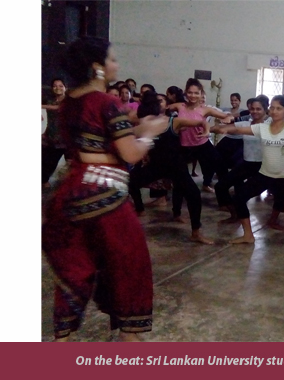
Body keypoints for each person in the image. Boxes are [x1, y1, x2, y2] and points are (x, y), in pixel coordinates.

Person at [42, 37, 169, 342]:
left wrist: (138, 128)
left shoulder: (70, 101)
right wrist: (149, 134)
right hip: (104, 196)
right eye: (113, 59)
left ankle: (63, 340)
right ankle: (129, 336)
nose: (117, 65)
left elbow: (101, 136)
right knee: (130, 264)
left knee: (78, 265)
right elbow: (130, 154)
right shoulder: (107, 102)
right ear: (97, 67)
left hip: (71, 194)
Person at [213, 95, 284, 252]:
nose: (274, 111)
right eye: (272, 107)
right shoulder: (262, 128)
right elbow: (239, 129)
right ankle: (248, 235)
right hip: (265, 174)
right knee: (239, 198)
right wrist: (224, 128)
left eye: (278, 108)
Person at [129, 91, 214, 244]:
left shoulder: (174, 122)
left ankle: (196, 232)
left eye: (162, 101)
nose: (159, 103)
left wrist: (207, 131)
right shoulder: (143, 125)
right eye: (157, 101)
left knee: (193, 194)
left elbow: (201, 122)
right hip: (156, 166)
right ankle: (139, 209)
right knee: (130, 182)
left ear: (166, 105)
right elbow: (127, 135)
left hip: (176, 166)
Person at [168, 78, 233, 192]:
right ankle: (177, 204)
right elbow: (161, 109)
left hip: (202, 144)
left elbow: (227, 116)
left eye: (196, 93)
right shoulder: (179, 106)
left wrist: (228, 119)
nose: (193, 95)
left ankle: (224, 197)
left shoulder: (205, 109)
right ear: (185, 93)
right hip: (184, 146)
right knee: (178, 172)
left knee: (220, 166)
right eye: (190, 92)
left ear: (201, 94)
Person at [42, 78, 68, 187]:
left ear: (65, 87)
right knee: (44, 162)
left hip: (65, 138)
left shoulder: (69, 101)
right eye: (55, 86)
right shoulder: (49, 100)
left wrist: (40, 107)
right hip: (50, 135)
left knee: (69, 163)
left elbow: (59, 108)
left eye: (60, 85)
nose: (58, 88)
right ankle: (44, 183)